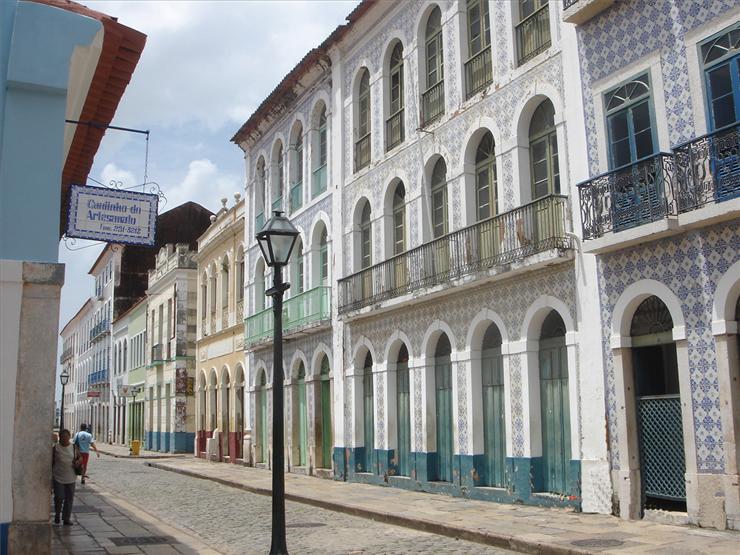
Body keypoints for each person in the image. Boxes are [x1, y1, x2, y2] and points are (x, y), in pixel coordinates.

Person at [52, 429, 78, 525]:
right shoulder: (56, 448)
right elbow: (51, 462)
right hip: (58, 477)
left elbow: (79, 458)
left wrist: (78, 462)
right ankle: (57, 514)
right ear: (60, 437)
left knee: (69, 498)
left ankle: (66, 518)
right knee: (59, 497)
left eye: (66, 437)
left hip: (71, 477)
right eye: (62, 437)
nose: (64, 439)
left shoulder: (74, 447)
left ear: (69, 437)